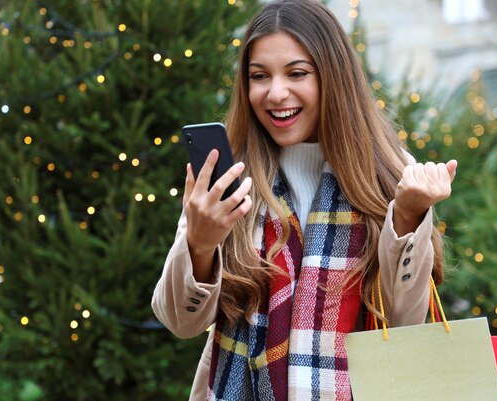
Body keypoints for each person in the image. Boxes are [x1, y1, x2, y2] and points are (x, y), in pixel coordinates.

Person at [152, 0, 457, 400]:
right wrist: (201, 242)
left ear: (332, 76)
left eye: (297, 73)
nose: (276, 93)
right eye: (259, 76)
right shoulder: (231, 177)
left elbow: (403, 320)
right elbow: (181, 322)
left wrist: (408, 216)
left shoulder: (389, 171)